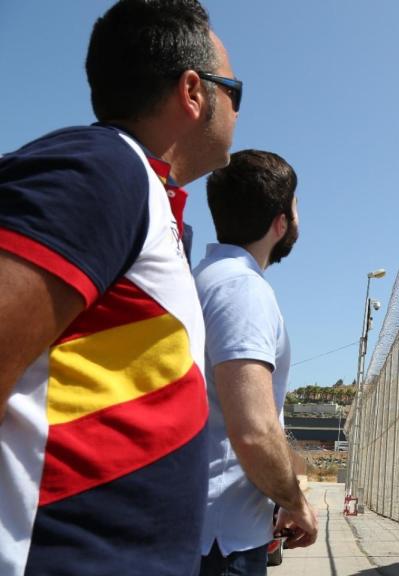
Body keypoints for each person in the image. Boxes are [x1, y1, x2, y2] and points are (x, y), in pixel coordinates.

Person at [0, 1, 239, 574]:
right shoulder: (104, 168)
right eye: (235, 91)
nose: (237, 109)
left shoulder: (142, 190)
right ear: (193, 91)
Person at [195, 149, 317, 575]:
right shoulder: (243, 290)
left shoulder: (206, 277)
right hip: (223, 542)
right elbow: (253, 429)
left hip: (208, 529)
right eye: (296, 207)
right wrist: (294, 501)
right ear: (280, 223)